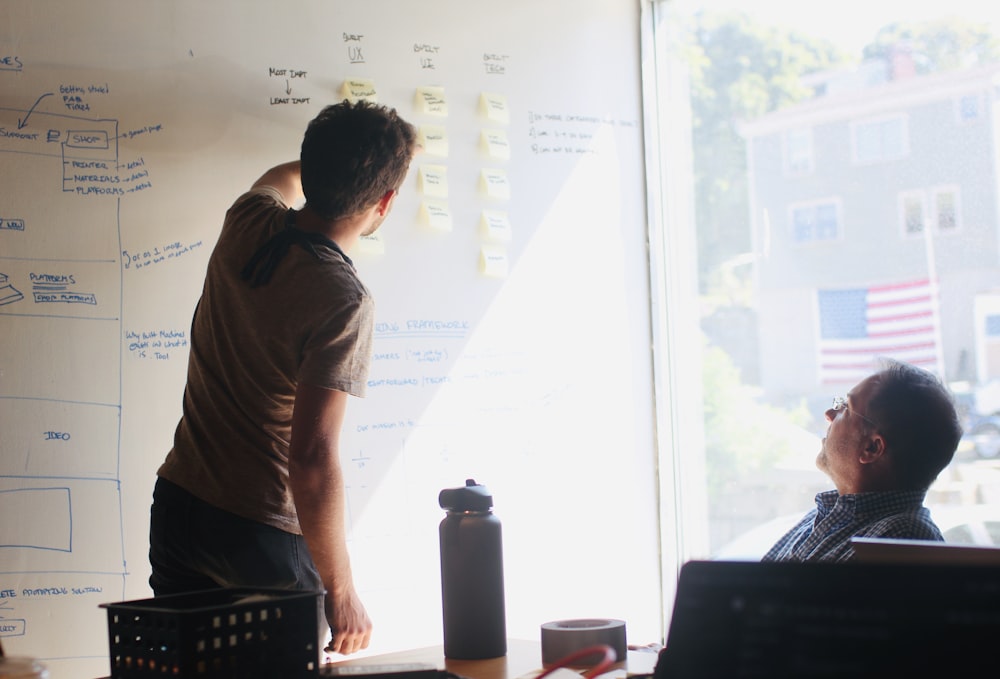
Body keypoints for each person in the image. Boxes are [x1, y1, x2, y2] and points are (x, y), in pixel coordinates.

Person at [148, 100, 418, 656]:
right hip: (259, 535)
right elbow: (313, 459)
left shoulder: (247, 219)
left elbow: (281, 178)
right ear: (384, 203)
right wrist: (341, 590)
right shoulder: (343, 300)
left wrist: (321, 165)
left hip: (180, 507)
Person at [762, 358, 963, 562]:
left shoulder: (902, 537)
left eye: (846, 408)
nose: (830, 414)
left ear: (871, 448)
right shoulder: (826, 517)